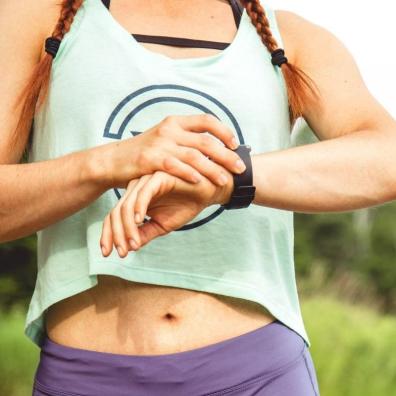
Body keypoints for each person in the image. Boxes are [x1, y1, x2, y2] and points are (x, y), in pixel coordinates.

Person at [1, 0, 395, 395]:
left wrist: (227, 180)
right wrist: (107, 163)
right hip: (85, 377)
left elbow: (386, 157)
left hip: (259, 376)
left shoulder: (286, 37)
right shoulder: (39, 19)